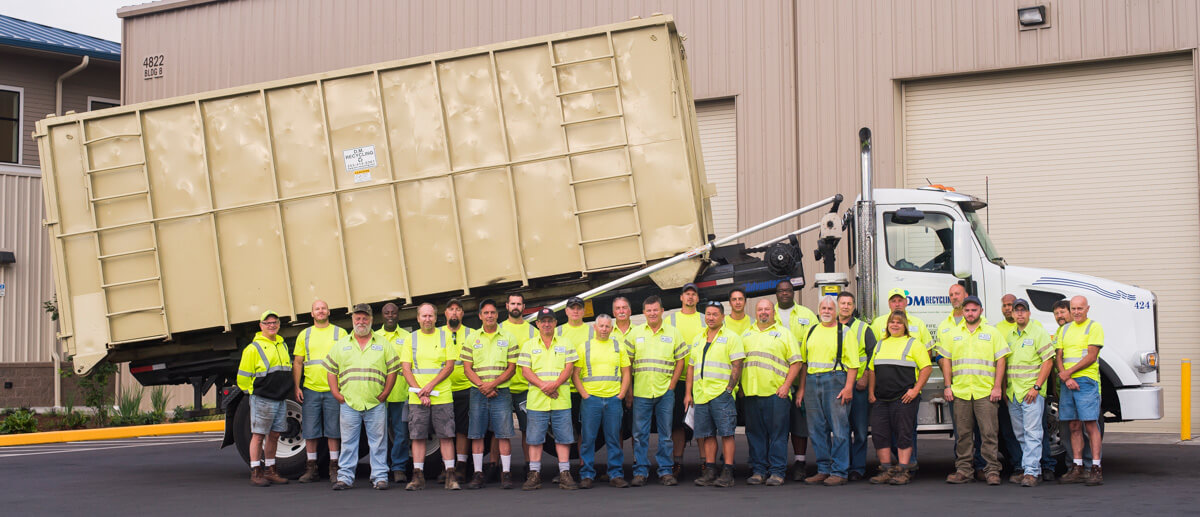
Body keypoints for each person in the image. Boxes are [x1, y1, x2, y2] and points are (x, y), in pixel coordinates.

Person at [324, 304, 399, 490]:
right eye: (358, 318)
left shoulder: (382, 343)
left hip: (375, 402)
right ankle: (345, 478)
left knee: (378, 442)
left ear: (371, 320)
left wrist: (386, 392)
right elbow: (331, 370)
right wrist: (335, 393)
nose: (361, 321)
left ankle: (380, 477)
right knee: (348, 442)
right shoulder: (341, 345)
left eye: (365, 318)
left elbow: (392, 370)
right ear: (353, 320)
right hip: (349, 402)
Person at [937, 296, 1009, 485]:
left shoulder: (992, 333)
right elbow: (946, 361)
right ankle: (964, 471)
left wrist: (997, 387)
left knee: (989, 434)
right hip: (960, 392)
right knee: (963, 435)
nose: (970, 313)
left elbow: (1001, 360)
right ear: (962, 312)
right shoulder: (952, 334)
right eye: (967, 310)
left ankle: (992, 471)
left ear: (981, 311)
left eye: (974, 310)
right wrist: (947, 386)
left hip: (985, 392)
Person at [799, 296, 860, 486]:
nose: (826, 311)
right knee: (816, 429)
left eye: (830, 308)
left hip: (835, 380)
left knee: (839, 427)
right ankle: (823, 470)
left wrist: (849, 387)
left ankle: (840, 471)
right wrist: (801, 389)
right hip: (811, 381)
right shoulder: (811, 331)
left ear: (836, 312)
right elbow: (804, 363)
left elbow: (853, 364)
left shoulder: (845, 332)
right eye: (823, 308)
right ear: (819, 310)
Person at [740, 299, 802, 486]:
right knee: (755, 434)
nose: (763, 312)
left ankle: (777, 472)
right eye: (760, 309)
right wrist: (741, 388)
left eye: (767, 309)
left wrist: (786, 386)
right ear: (756, 312)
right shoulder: (746, 334)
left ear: (773, 312)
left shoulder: (784, 334)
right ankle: (759, 471)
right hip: (752, 394)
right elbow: (739, 363)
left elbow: (796, 362)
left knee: (778, 435)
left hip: (777, 394)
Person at [627, 295, 688, 487]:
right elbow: (626, 364)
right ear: (643, 312)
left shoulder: (674, 333)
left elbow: (681, 360)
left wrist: (672, 385)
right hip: (641, 392)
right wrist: (629, 390)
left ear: (662, 311)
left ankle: (665, 471)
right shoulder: (635, 333)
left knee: (666, 434)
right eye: (648, 310)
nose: (652, 313)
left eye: (655, 310)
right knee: (639, 434)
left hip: (664, 392)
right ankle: (640, 471)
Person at [866, 310, 932, 486]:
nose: (894, 325)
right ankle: (886, 469)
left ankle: (903, 470)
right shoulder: (880, 344)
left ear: (905, 326)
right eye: (892, 322)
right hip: (881, 398)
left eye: (899, 322)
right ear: (887, 325)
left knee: (904, 434)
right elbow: (872, 370)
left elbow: (926, 368)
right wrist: (871, 392)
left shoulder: (914, 344)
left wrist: (915, 390)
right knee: (880, 435)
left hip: (904, 398)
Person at [460, 299, 519, 489]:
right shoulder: (472, 338)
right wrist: (482, 385)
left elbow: (512, 368)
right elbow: (467, 368)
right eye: (486, 313)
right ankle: (478, 474)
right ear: (480, 316)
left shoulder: (508, 337)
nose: (490, 316)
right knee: (477, 434)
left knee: (504, 433)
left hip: (501, 391)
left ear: (497, 315)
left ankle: (506, 473)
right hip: (478, 392)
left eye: (493, 312)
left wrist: (492, 385)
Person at [518, 308, 579, 490]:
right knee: (535, 439)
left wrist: (554, 384)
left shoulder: (566, 343)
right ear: (537, 324)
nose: (546, 324)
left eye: (550, 321)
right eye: (543, 321)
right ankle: (534, 474)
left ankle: (564, 474)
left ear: (555, 323)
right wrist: (544, 386)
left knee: (563, 438)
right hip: (537, 400)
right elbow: (525, 371)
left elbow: (569, 369)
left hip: (560, 399)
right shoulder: (529, 345)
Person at [686, 301, 745, 488]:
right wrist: (689, 392)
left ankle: (728, 472)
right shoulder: (698, 338)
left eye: (714, 314)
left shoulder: (731, 337)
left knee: (727, 434)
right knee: (707, 435)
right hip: (702, 395)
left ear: (722, 317)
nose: (710, 317)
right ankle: (710, 471)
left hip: (721, 394)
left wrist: (729, 389)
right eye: (708, 314)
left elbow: (737, 365)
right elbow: (691, 367)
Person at [401, 303, 460, 491]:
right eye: (424, 316)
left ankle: (451, 476)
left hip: (441, 396)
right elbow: (406, 369)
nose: (427, 319)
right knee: (417, 437)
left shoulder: (446, 337)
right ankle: (418, 477)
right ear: (418, 318)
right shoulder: (411, 339)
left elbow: (449, 366)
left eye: (430, 316)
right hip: (418, 397)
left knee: (446, 436)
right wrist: (420, 392)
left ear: (436, 317)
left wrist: (429, 387)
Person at [572, 314, 632, 489]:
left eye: (607, 326)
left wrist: (620, 395)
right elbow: (575, 374)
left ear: (611, 329)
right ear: (594, 327)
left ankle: (616, 474)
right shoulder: (585, 347)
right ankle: (587, 474)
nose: (604, 329)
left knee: (613, 438)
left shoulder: (618, 346)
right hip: (591, 401)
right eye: (601, 326)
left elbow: (626, 372)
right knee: (588, 439)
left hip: (613, 400)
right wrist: (585, 395)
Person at [237, 310, 294, 487]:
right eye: (268, 323)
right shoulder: (253, 349)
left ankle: (271, 471)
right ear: (261, 326)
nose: (272, 325)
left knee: (275, 435)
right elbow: (243, 377)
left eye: (274, 322)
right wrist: (254, 392)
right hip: (262, 398)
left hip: (280, 398)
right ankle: (256, 471)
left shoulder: (282, 345)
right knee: (258, 435)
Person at [292, 300, 345, 483]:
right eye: (317, 309)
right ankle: (311, 468)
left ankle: (334, 469)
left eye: (323, 308)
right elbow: (298, 362)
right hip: (311, 389)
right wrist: (297, 386)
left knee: (333, 431)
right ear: (312, 313)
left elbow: (347, 360)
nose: (320, 311)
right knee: (310, 432)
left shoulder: (340, 333)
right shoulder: (304, 335)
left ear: (328, 311)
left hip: (333, 390)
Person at [1004, 298, 1055, 487]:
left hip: (1031, 392)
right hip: (1014, 393)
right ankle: (1032, 469)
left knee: (1033, 433)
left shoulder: (1038, 332)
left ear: (1028, 313)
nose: (1019, 314)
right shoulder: (1010, 336)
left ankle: (1031, 472)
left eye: (1022, 311)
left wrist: (1037, 387)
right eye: (1016, 311)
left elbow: (1048, 361)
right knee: (1021, 435)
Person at [1056, 296, 1106, 486]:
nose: (1076, 312)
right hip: (1068, 382)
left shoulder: (1094, 327)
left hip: (1086, 381)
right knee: (1074, 425)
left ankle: (1095, 467)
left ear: (1087, 309)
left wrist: (1069, 373)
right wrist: (1066, 377)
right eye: (1073, 308)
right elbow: (1058, 356)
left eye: (1080, 308)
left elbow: (1092, 356)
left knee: (1091, 425)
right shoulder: (1064, 329)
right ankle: (1077, 467)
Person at [773, 279, 817, 481]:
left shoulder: (807, 315)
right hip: (774, 382)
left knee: (800, 425)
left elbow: (815, 346)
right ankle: (776, 463)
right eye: (781, 291)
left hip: (800, 380)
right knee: (778, 426)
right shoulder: (766, 315)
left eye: (788, 291)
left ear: (793, 292)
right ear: (776, 293)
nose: (784, 294)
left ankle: (800, 462)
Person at [837, 291, 876, 481]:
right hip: (837, 387)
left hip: (858, 388)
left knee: (860, 431)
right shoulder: (829, 327)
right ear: (838, 305)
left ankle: (858, 468)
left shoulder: (863, 328)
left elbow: (872, 355)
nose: (845, 306)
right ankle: (841, 466)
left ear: (853, 307)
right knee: (840, 431)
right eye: (842, 303)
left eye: (849, 304)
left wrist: (866, 378)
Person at [668, 283, 705, 477]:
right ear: (681, 298)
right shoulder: (671, 320)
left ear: (698, 299)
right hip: (678, 379)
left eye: (693, 294)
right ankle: (677, 462)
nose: (690, 297)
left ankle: (705, 463)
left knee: (700, 422)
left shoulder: (704, 319)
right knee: (677, 424)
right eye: (686, 294)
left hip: (701, 380)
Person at [375, 302, 411, 484]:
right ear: (382, 316)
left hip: (400, 393)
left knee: (401, 434)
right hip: (378, 395)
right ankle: (380, 468)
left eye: (393, 313)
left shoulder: (407, 337)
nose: (390, 315)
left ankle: (398, 468)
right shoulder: (375, 337)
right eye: (386, 313)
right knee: (378, 434)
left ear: (398, 315)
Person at [500, 292, 536, 477]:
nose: (515, 306)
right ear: (507, 306)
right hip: (502, 388)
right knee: (499, 431)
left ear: (523, 307)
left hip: (525, 388)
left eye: (518, 304)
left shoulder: (532, 331)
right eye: (512, 303)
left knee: (526, 429)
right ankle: (495, 465)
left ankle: (530, 466)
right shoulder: (499, 329)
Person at [440, 299, 475, 483]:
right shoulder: (437, 334)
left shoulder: (472, 334)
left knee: (463, 429)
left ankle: (461, 465)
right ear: (445, 313)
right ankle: (448, 467)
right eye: (451, 309)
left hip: (466, 388)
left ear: (462, 313)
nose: (454, 313)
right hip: (443, 389)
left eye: (458, 310)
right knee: (445, 430)